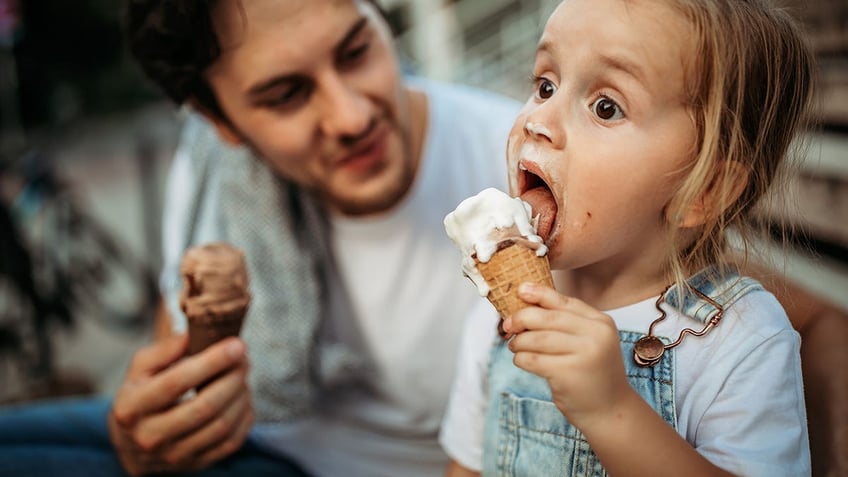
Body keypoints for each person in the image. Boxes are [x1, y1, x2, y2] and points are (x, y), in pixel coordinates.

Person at [0, 0, 844, 476]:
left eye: (356, 48)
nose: (351, 112)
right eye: (542, 83)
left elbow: (790, 320)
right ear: (224, 126)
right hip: (257, 442)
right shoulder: (226, 181)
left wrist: (615, 407)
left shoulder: (711, 321)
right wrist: (150, 429)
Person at [439, 0, 815, 476]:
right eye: (545, 85)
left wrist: (611, 410)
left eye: (606, 107)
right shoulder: (495, 319)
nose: (538, 121)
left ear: (700, 190)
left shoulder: (740, 341)